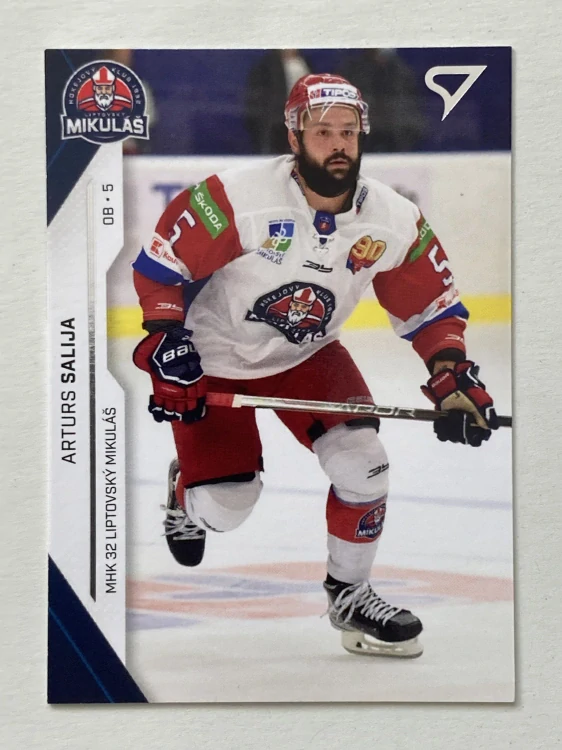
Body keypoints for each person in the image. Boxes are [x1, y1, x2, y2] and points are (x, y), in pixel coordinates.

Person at [132, 73, 498, 658]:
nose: (337, 144)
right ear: (294, 136)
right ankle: (187, 493)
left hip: (308, 353)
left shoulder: (392, 217)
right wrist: (165, 337)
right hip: (216, 358)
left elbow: (431, 306)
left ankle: (349, 595)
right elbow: (160, 268)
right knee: (226, 509)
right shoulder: (238, 196)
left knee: (365, 465)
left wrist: (451, 373)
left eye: (348, 131)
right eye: (323, 131)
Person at [340, 49, 425, 152]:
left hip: (396, 131)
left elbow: (410, 106)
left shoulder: (401, 72)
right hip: (365, 130)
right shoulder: (353, 70)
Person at [245, 49, 312, 154]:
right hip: (278, 122)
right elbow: (257, 97)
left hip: (305, 118)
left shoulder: (305, 63)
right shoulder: (266, 67)